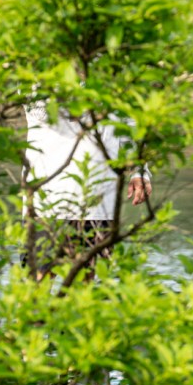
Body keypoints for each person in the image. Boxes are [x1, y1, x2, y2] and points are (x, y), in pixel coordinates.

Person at [23, 99, 152, 282]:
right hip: (47, 197)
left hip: (99, 194)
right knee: (39, 281)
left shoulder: (114, 81)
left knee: (86, 283)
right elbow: (41, 113)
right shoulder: (37, 79)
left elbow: (129, 120)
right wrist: (85, 94)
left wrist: (139, 170)